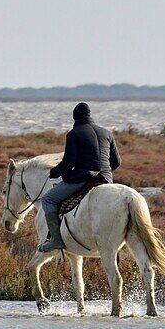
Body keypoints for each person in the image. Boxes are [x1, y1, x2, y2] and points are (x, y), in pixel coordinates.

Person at [37, 102, 122, 252]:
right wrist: (105, 171)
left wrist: (54, 172)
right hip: (106, 179)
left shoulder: (74, 134)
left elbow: (68, 163)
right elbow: (116, 162)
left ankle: (56, 240)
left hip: (84, 178)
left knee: (48, 199)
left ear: (74, 117)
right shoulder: (106, 133)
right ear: (90, 116)